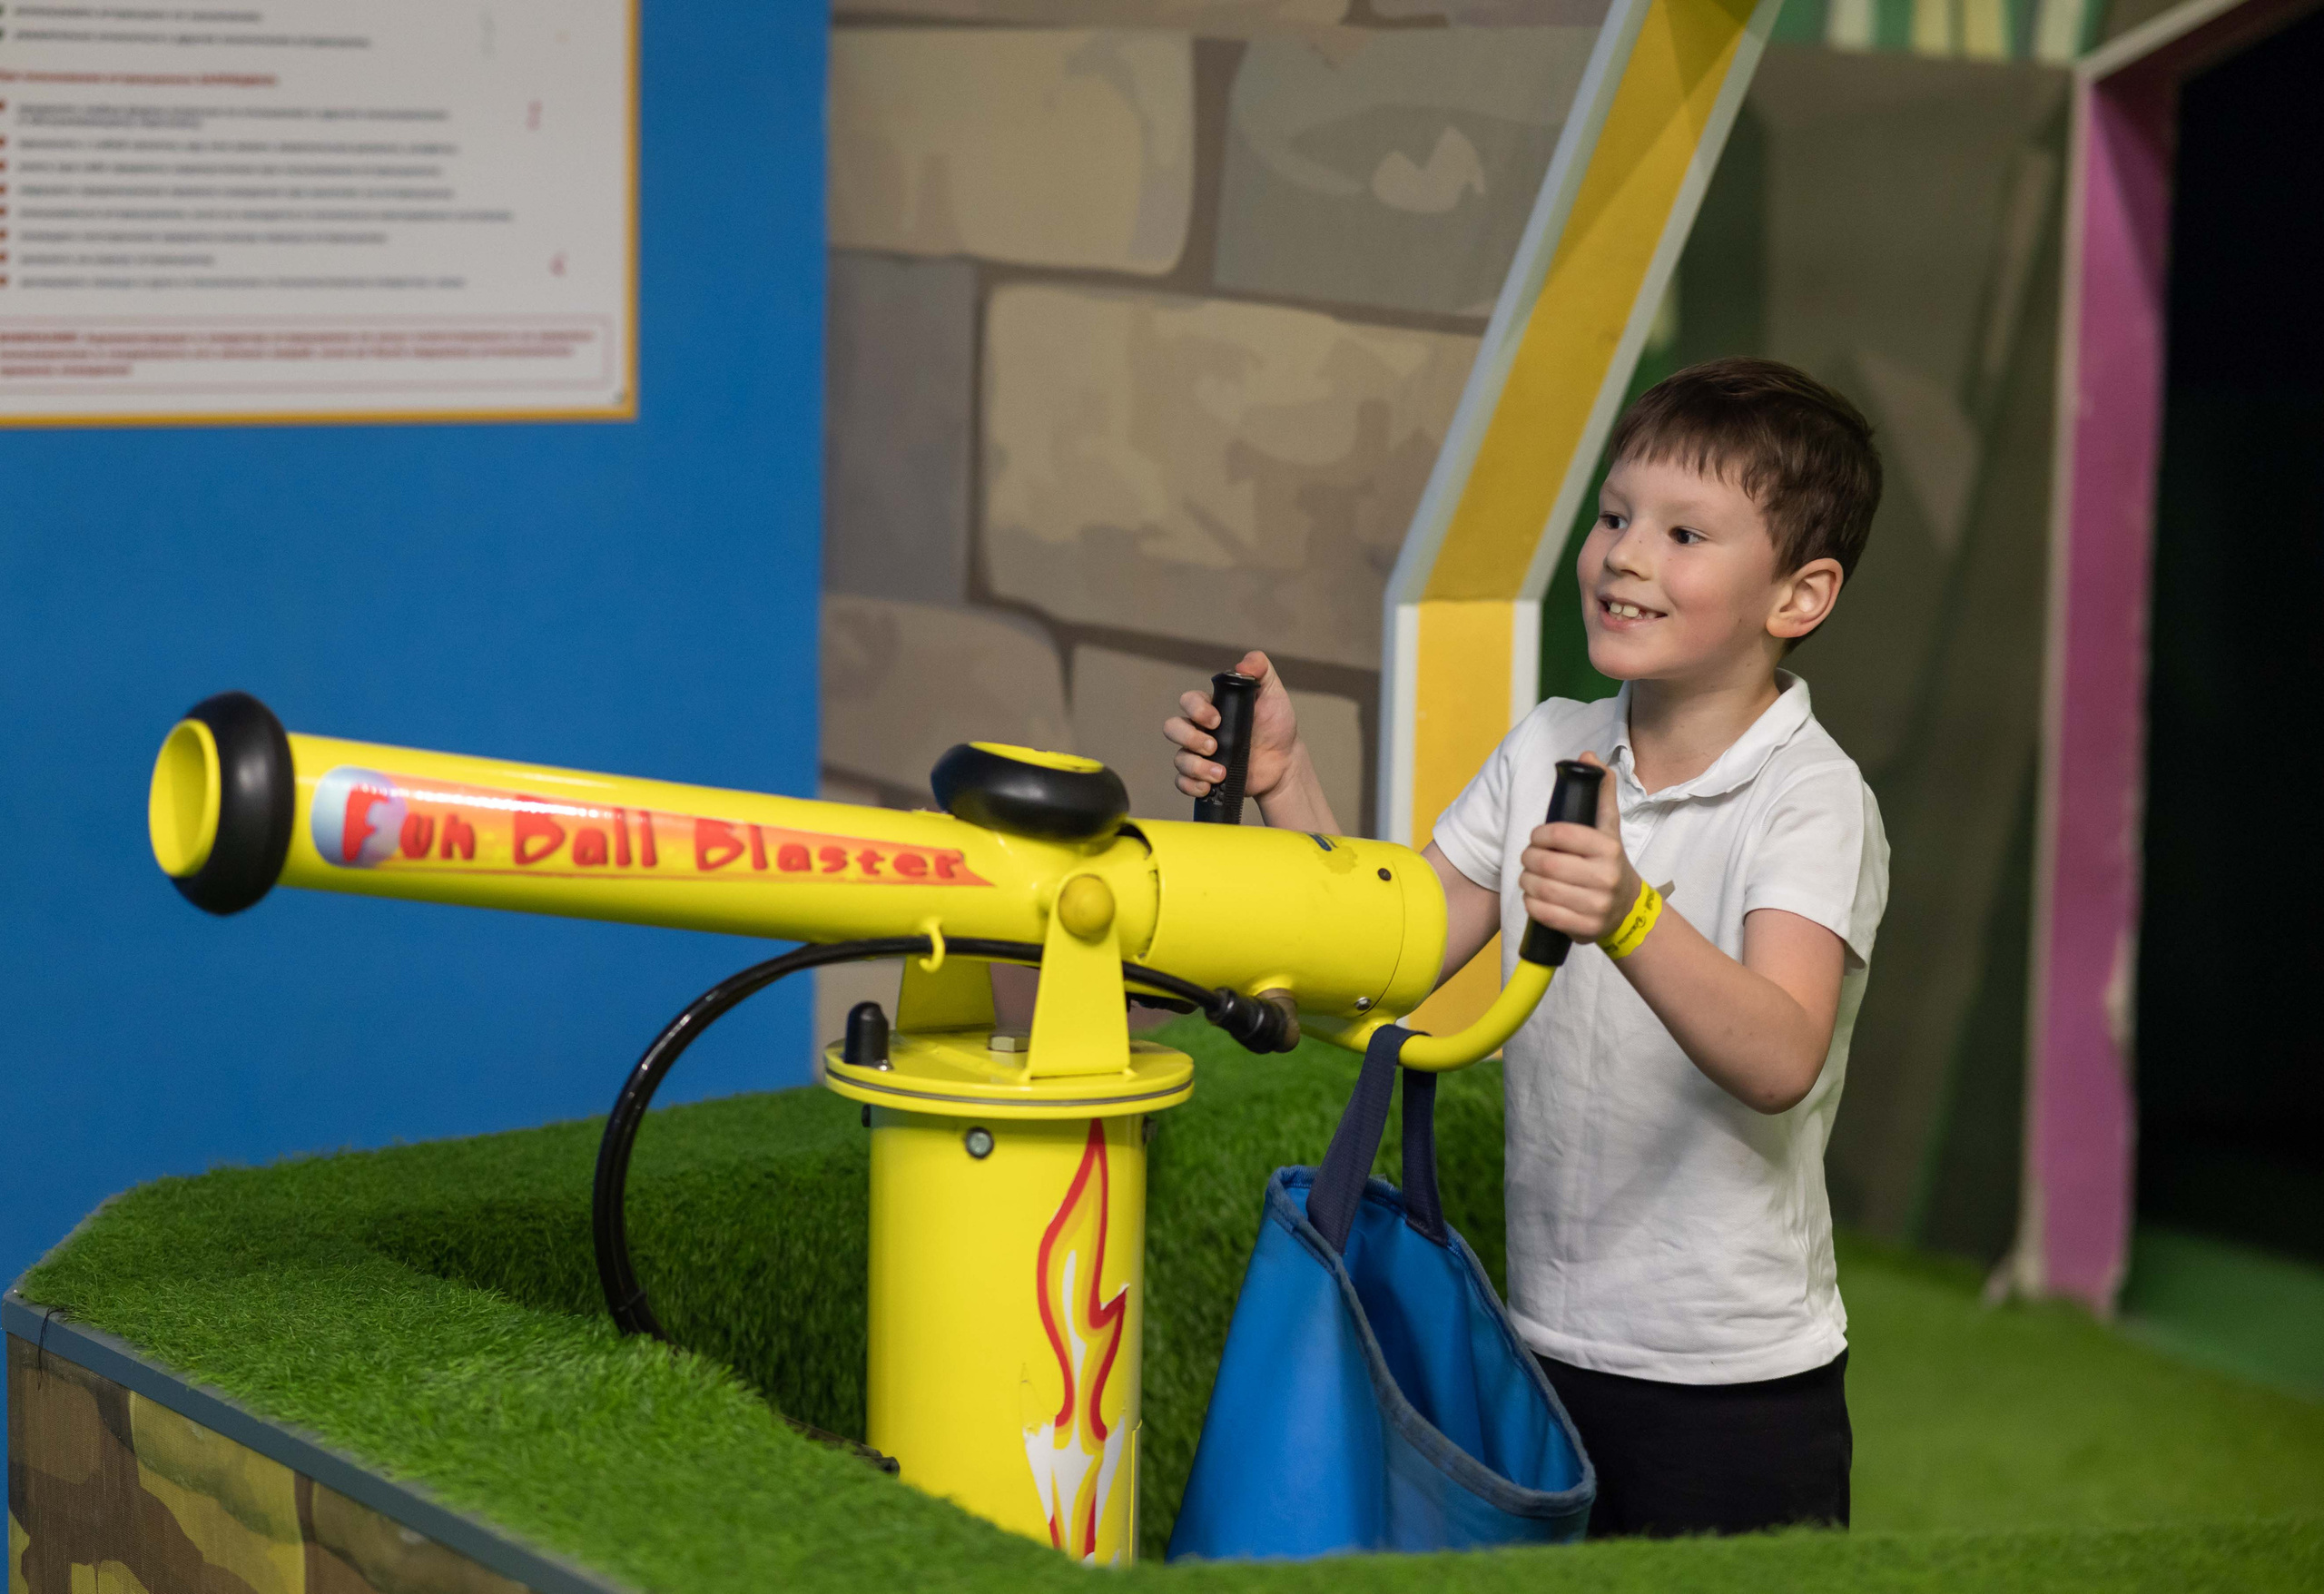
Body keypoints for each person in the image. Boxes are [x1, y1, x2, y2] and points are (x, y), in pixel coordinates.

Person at [1164, 358, 1890, 1540]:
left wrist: (1632, 916)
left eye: (1684, 533)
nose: (1625, 556)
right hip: (1544, 1351)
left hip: (1735, 1390)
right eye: (1615, 517)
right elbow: (1395, 955)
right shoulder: (1552, 744)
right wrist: (1283, 786)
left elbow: (1782, 1052)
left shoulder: (1812, 797)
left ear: (1798, 598)